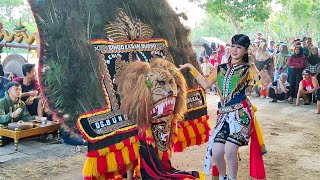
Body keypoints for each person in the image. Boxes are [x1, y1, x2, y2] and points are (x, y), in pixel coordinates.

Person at [179, 34, 266, 180]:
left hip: (241, 115)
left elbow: (263, 80)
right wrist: (191, 68)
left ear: (245, 50)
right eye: (233, 46)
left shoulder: (248, 69)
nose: (234, 50)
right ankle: (224, 177)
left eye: (239, 47)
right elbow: (206, 84)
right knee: (217, 151)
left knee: (230, 149)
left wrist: (256, 80)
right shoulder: (219, 69)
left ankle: (232, 178)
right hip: (224, 116)